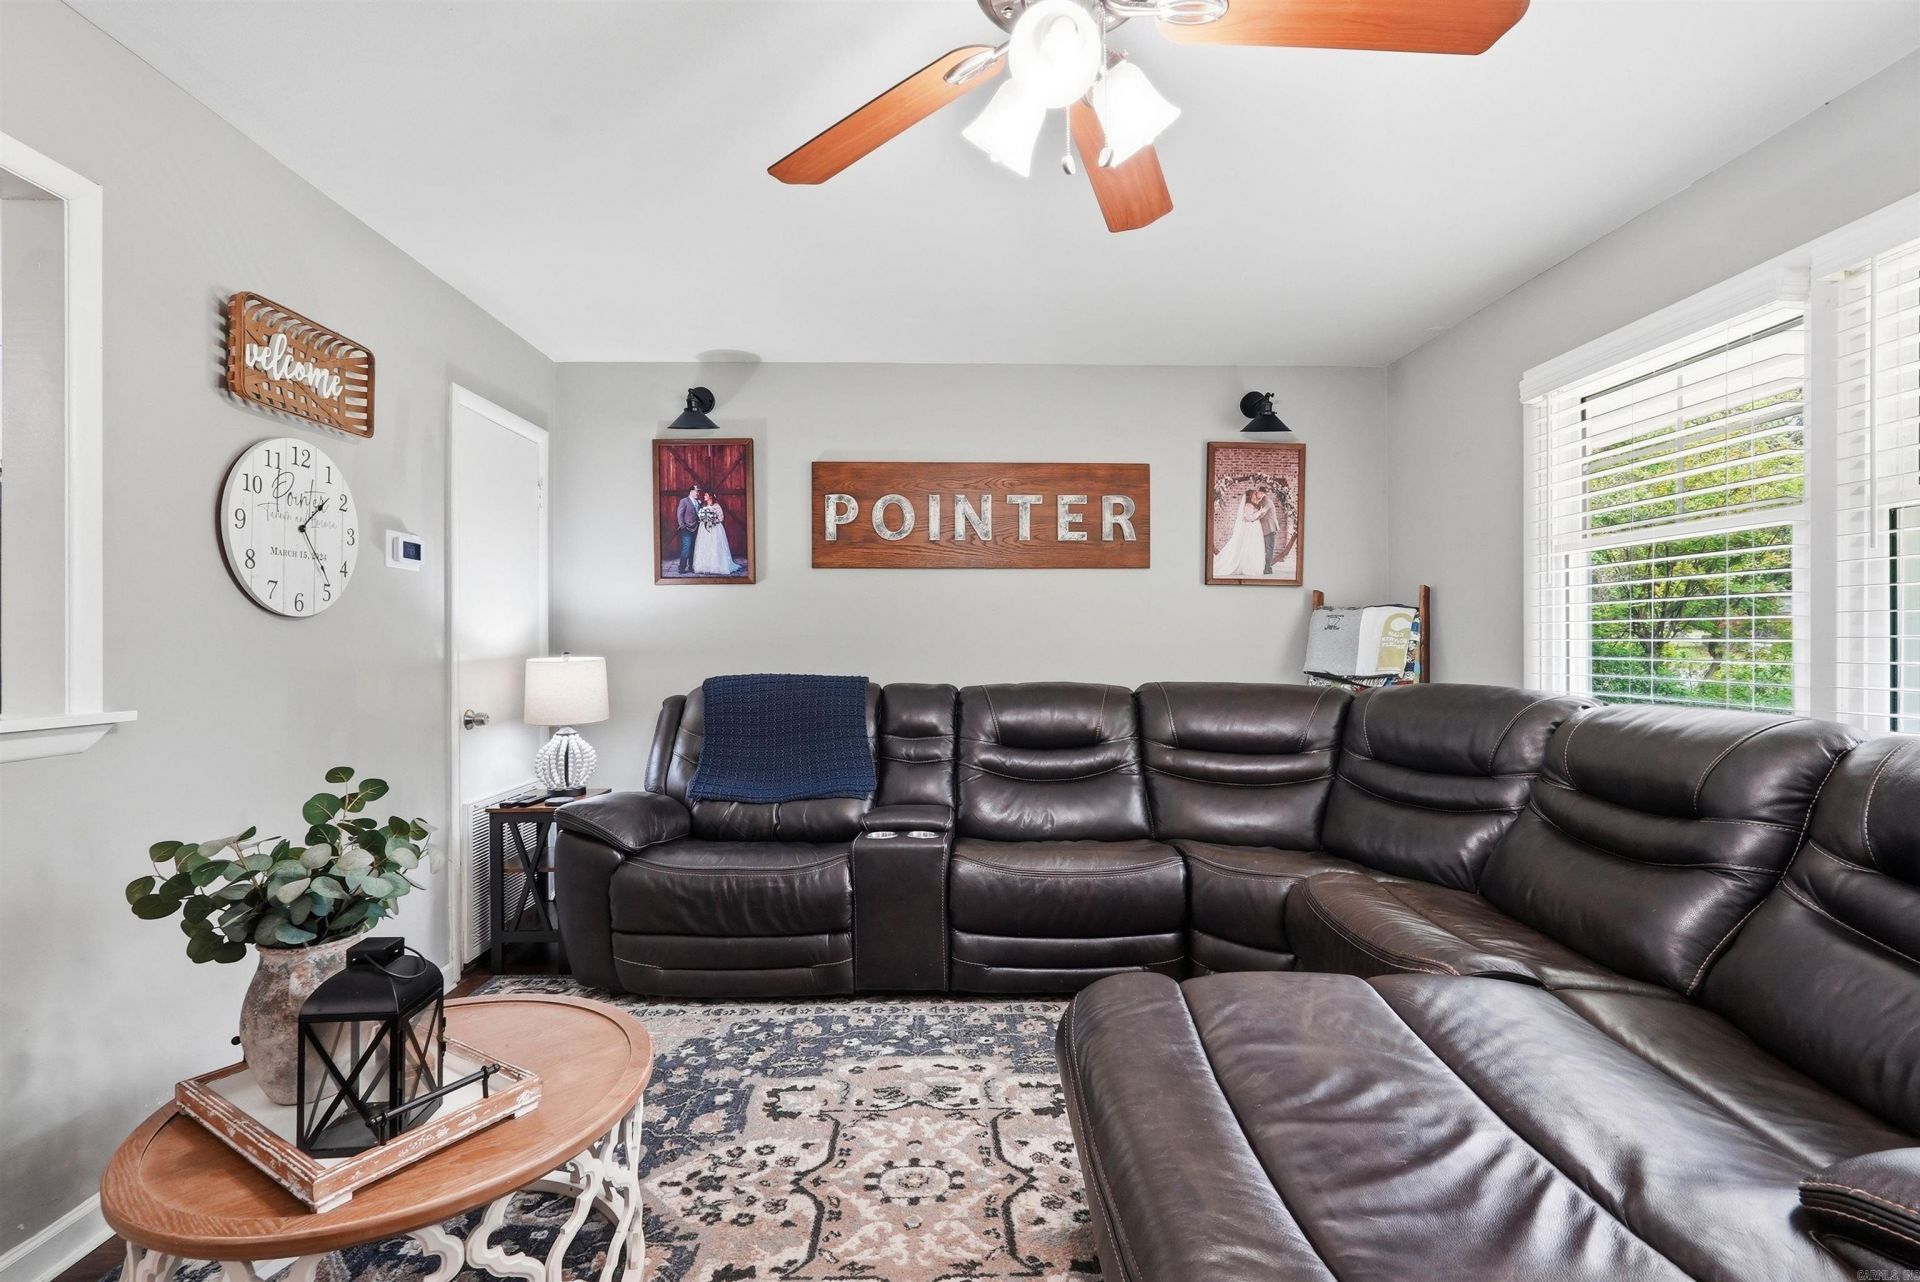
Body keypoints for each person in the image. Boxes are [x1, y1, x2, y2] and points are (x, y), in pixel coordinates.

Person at [1211, 491, 1268, 578]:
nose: (1255, 496)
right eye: (1253, 494)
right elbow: (1249, 517)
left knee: (1251, 547)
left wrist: (1260, 501)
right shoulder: (1248, 505)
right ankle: (1247, 566)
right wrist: (1260, 512)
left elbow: (1255, 508)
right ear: (1250, 496)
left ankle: (1250, 565)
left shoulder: (1252, 504)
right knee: (1248, 546)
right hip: (1250, 529)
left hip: (1254, 528)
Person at [691, 489, 735, 575]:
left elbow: (721, 518)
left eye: (706, 495)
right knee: (705, 546)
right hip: (704, 529)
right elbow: (701, 516)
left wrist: (711, 520)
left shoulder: (716, 506)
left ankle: (716, 566)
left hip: (715, 528)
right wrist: (704, 519)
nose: (704, 496)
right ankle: (705, 566)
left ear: (710, 496)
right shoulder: (704, 506)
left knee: (715, 545)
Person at [1244, 486, 1281, 575]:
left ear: (1262, 493)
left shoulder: (1266, 501)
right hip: (1265, 528)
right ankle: (1265, 567)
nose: (1256, 495)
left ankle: (1267, 568)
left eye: (1257, 493)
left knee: (1269, 548)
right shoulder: (1262, 500)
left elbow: (1262, 514)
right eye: (1256, 493)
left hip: (1269, 528)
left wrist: (1251, 519)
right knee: (1265, 548)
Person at [674, 484, 701, 575]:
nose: (698, 493)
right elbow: (679, 514)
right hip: (686, 529)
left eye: (698, 492)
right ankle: (682, 568)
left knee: (693, 548)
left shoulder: (698, 502)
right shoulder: (684, 501)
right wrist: (682, 526)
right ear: (691, 491)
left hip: (696, 528)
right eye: (697, 491)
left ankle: (691, 566)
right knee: (686, 548)